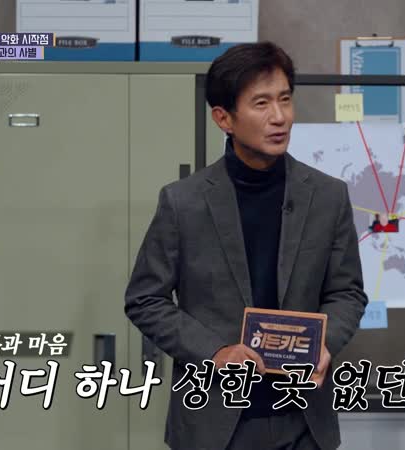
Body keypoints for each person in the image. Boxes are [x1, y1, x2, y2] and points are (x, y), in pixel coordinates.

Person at [124, 41, 367, 450]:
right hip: (215, 422)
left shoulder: (328, 196)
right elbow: (145, 299)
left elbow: (347, 292)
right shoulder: (184, 202)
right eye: (261, 103)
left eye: (285, 99)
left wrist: (325, 344)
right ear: (224, 118)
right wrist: (216, 352)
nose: (279, 117)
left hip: (304, 421)